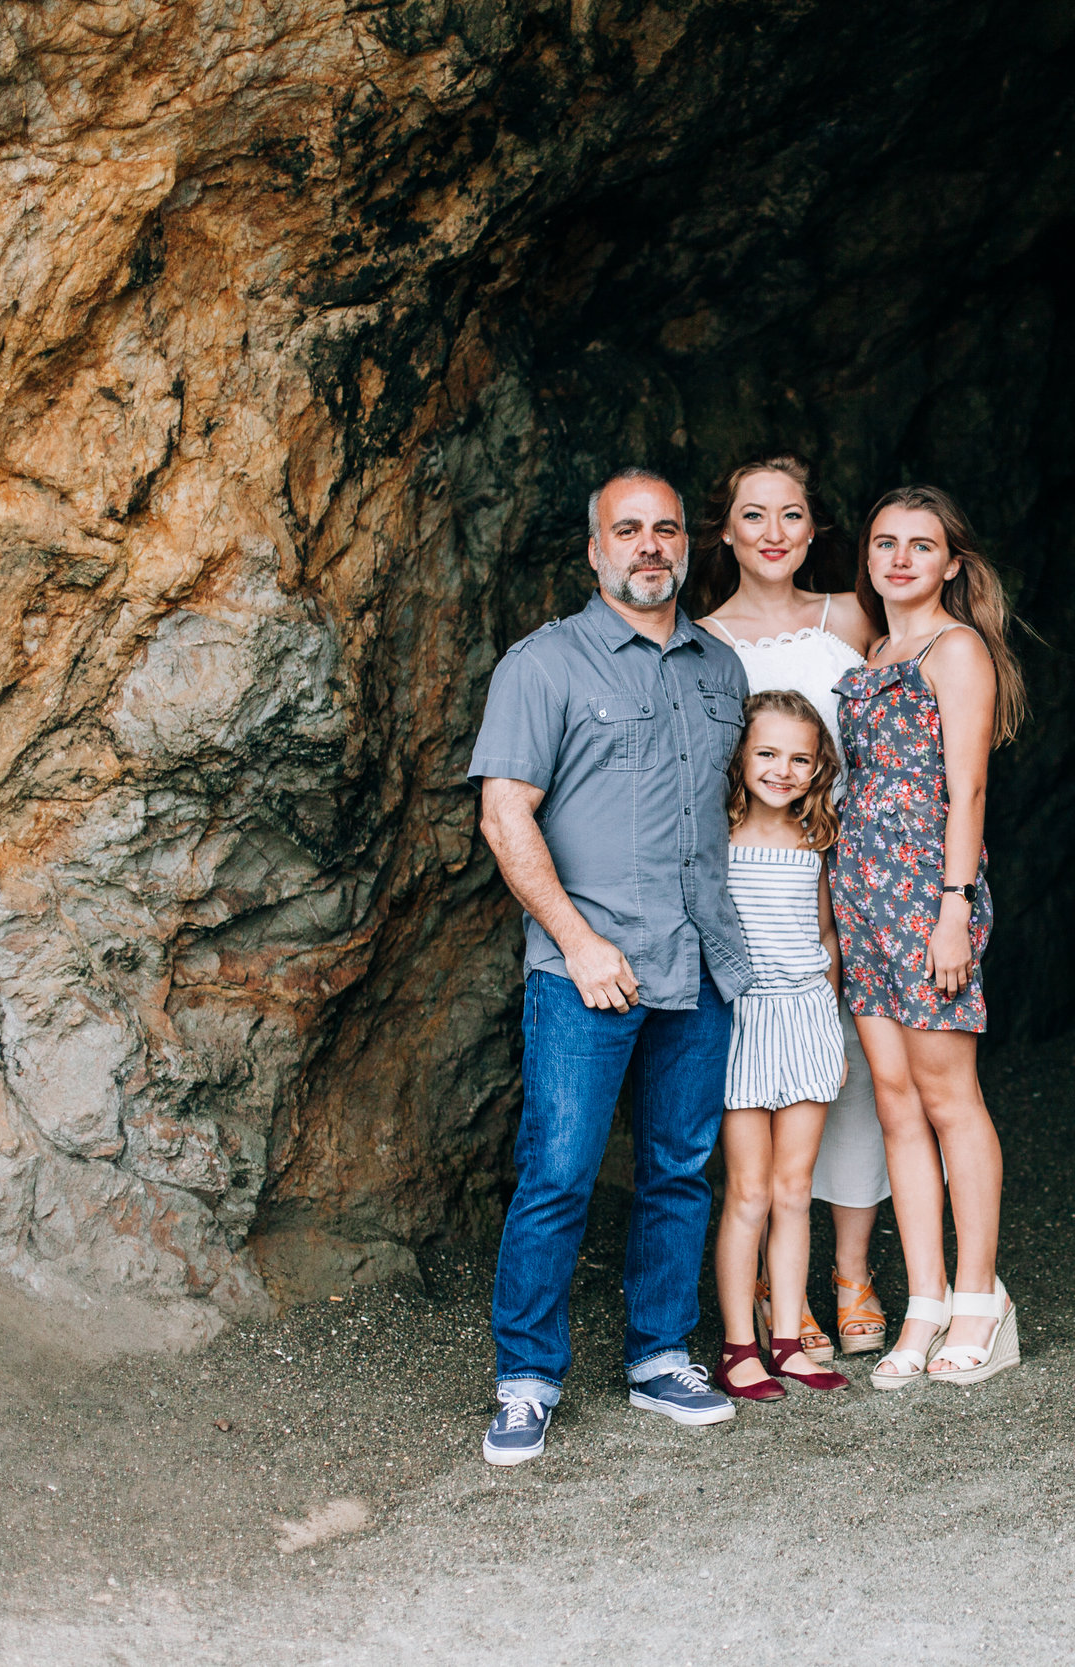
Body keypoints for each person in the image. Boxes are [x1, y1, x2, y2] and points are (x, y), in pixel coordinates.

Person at [468, 467, 753, 1462]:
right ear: (594, 551)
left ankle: (658, 1353)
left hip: (699, 963)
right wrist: (579, 940)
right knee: (558, 1170)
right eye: (626, 530)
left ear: (687, 546)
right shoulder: (542, 666)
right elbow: (505, 814)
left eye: (665, 529)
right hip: (584, 967)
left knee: (679, 1167)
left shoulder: (721, 669)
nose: (648, 546)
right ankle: (526, 1375)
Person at [695, 456, 893, 1361]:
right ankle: (780, 1295)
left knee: (855, 1070)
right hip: (760, 875)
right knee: (772, 1086)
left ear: (816, 531)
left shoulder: (850, 615)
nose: (773, 531)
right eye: (753, 515)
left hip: (856, 863)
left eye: (792, 515)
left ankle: (853, 1271)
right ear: (726, 531)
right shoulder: (700, 639)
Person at [833, 485, 1030, 1389]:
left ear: (953, 562)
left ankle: (983, 1301)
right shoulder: (875, 648)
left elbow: (969, 789)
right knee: (895, 1102)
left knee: (951, 1099)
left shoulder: (957, 651)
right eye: (885, 543)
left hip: (925, 896)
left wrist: (954, 905)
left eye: (922, 544)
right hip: (862, 898)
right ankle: (926, 1299)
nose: (901, 557)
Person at [709, 691, 853, 1400]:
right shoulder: (718, 835)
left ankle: (790, 1340)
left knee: (795, 1190)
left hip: (805, 1017)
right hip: (743, 1019)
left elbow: (825, 937)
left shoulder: (817, 837)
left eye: (800, 757)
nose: (783, 769)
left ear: (818, 765)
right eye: (767, 752)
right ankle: (739, 1346)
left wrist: (828, 1019)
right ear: (741, 754)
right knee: (750, 1191)